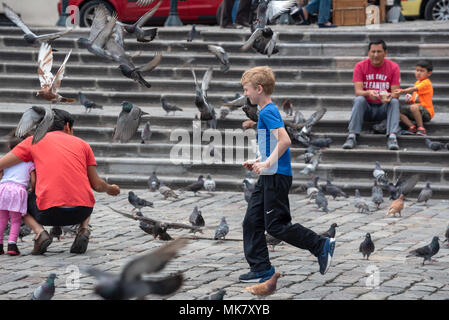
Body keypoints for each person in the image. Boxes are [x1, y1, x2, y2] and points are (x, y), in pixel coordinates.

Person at [240, 66, 336, 283]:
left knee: (276, 225)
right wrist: (257, 161)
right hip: (269, 175)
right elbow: (272, 145)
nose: (245, 94)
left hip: (276, 176)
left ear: (259, 88)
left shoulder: (268, 111)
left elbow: (285, 140)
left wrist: (266, 164)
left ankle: (320, 244)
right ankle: (262, 269)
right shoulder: (266, 111)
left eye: (246, 90)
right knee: (251, 221)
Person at [0, 109, 120, 255]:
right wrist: (110, 188)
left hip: (46, 213)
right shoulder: (83, 145)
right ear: (67, 127)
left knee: (20, 198)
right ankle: (83, 228)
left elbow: (2, 164)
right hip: (81, 212)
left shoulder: (33, 141)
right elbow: (97, 185)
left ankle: (39, 232)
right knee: (86, 192)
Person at [342, 40, 401, 151]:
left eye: (379, 51)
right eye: (373, 51)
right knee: (359, 99)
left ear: (385, 53)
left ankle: (392, 137)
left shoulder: (394, 67)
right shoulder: (360, 66)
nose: (375, 55)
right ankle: (352, 136)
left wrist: (387, 97)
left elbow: (396, 93)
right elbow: (358, 92)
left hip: (384, 108)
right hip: (367, 108)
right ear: (368, 53)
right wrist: (368, 93)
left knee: (394, 102)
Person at [0, 135, 35, 256]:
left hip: (3, 189)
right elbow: (34, 180)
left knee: (2, 219)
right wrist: (32, 188)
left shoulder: (5, 160)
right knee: (16, 220)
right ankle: (12, 245)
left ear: (10, 147)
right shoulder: (29, 162)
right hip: (17, 191)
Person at [394, 60, 434, 136]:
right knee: (397, 111)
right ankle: (411, 127)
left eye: (422, 71)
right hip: (416, 110)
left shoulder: (426, 83)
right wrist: (410, 100)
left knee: (414, 107)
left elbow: (413, 89)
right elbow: (415, 100)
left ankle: (421, 128)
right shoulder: (417, 83)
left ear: (429, 73)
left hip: (427, 112)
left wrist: (402, 91)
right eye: (417, 70)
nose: (418, 73)